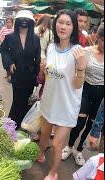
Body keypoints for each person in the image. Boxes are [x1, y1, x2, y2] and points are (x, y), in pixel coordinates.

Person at [37, 9, 87, 180]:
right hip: (49, 102)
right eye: (60, 22)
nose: (63, 27)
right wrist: (43, 70)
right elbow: (47, 77)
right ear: (54, 24)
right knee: (44, 137)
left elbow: (78, 84)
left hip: (67, 106)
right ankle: (42, 152)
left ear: (74, 27)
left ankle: (53, 173)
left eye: (68, 23)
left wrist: (80, 68)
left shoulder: (79, 51)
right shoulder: (51, 48)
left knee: (58, 145)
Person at [61, 23, 104, 166]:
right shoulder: (86, 51)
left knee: (91, 125)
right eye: (103, 40)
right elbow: (72, 66)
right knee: (79, 123)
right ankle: (70, 146)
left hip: (101, 95)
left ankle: (79, 151)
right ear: (98, 37)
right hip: (85, 90)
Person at [0, 10, 41, 129]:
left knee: (27, 101)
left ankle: (22, 125)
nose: (24, 21)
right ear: (17, 22)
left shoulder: (35, 39)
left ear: (31, 22)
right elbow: (3, 50)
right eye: (21, 19)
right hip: (17, 75)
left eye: (26, 19)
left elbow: (37, 58)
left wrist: (38, 76)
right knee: (18, 100)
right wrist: (9, 63)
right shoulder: (10, 37)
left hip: (30, 76)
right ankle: (12, 125)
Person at [32, 14, 54, 141]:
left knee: (37, 83)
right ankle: (45, 130)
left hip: (33, 60)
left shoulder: (34, 30)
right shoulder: (50, 33)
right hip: (44, 61)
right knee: (43, 87)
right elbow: (50, 49)